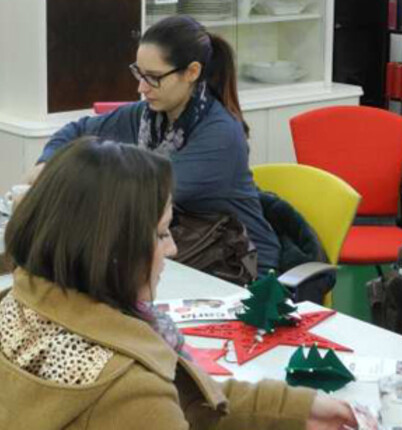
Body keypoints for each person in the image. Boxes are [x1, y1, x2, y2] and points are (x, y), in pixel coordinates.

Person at [0, 138, 359, 429]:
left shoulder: (16, 304)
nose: (172, 249)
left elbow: (188, 395)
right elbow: (155, 399)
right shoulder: (128, 390)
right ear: (113, 250)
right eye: (160, 234)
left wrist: (295, 410)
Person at [29, 15, 281, 274]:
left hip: (242, 266)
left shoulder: (221, 135)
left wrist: (58, 187)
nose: (142, 87)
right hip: (187, 252)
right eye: (139, 73)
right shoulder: (147, 116)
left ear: (192, 72)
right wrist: (45, 165)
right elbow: (77, 130)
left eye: (153, 77)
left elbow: (148, 195)